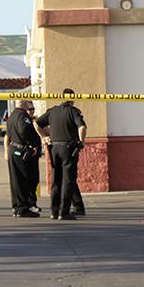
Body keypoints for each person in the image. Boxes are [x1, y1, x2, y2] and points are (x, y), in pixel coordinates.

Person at [35, 88, 87, 220]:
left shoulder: (52, 111)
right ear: (72, 99)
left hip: (54, 148)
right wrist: (81, 141)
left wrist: (43, 137)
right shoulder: (73, 111)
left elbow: (36, 123)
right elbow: (82, 127)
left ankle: (54, 211)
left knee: (56, 180)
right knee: (68, 181)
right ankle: (64, 212)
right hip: (68, 149)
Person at [4, 100, 41, 218]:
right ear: (23, 104)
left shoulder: (12, 116)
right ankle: (23, 208)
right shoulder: (22, 115)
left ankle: (16, 207)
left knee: (15, 181)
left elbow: (8, 134)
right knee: (23, 180)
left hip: (13, 149)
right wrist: (31, 144)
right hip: (20, 151)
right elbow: (24, 130)